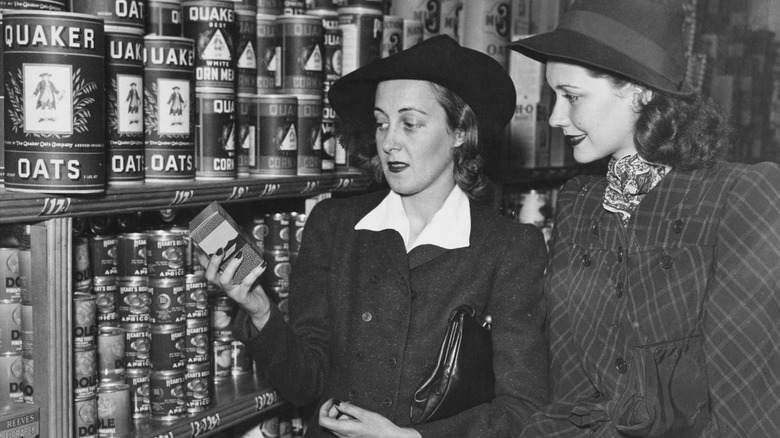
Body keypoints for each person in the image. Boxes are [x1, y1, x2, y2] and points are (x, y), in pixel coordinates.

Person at [199, 35, 549, 437]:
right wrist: (261, 311)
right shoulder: (334, 225)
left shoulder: (508, 248)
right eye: (382, 122)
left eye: (410, 123)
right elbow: (304, 384)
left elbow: (523, 409)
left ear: (459, 132)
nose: (389, 142)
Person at [509, 0, 780, 436]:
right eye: (553, 97)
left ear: (639, 91)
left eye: (571, 97)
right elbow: (571, 394)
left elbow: (745, 404)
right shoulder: (579, 202)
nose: (556, 118)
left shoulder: (740, 198)